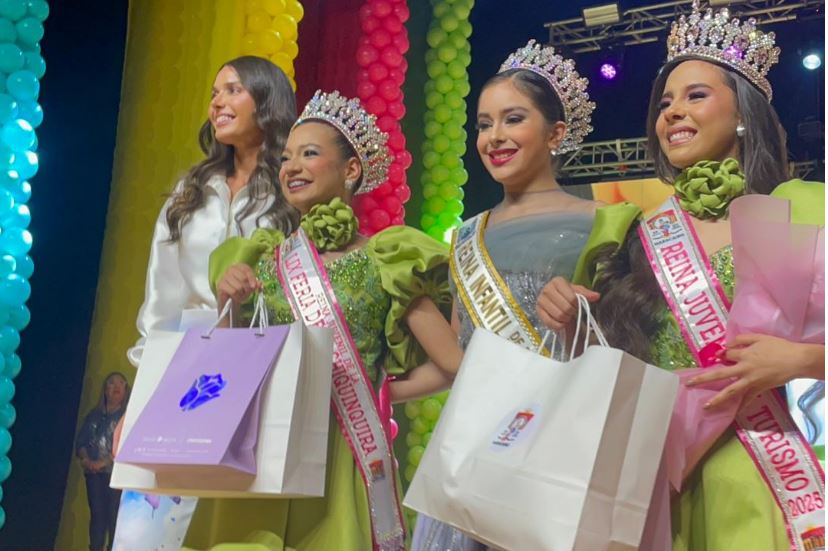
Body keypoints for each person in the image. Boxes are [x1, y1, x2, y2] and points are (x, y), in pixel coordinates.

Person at [536, 3, 825, 549]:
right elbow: (619, 367)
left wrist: (803, 360)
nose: (672, 113)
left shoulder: (801, 212)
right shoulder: (637, 233)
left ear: (742, 112)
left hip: (756, 467)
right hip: (657, 478)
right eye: (665, 103)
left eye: (695, 96)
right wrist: (576, 321)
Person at [182, 90, 461, 551]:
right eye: (286, 157)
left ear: (350, 170)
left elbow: (452, 365)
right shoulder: (260, 259)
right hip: (262, 450)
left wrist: (375, 391)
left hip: (340, 454)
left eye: (309, 154)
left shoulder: (387, 260)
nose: (291, 167)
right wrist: (227, 301)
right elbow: (230, 368)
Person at [412, 39, 599, 551]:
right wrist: (378, 388)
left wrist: (579, 317)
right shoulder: (466, 235)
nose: (494, 136)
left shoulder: (602, 224)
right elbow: (459, 360)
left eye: (513, 119)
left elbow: (622, 344)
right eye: (483, 124)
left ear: (556, 133)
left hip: (557, 448)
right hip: (475, 448)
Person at [112, 55, 298, 551]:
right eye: (215, 93)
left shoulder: (291, 193)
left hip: (260, 367)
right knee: (148, 528)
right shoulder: (189, 193)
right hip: (183, 370)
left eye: (234, 89)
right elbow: (160, 300)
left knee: (233, 528)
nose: (218, 102)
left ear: (267, 100)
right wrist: (138, 399)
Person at [76, 372, 130, 551]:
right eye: (112, 383)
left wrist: (104, 462)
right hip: (94, 476)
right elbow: (82, 442)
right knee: (97, 517)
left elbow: (125, 446)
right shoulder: (94, 415)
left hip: (116, 477)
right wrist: (86, 460)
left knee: (115, 518)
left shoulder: (126, 417)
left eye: (121, 383)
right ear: (105, 390)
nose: (116, 386)